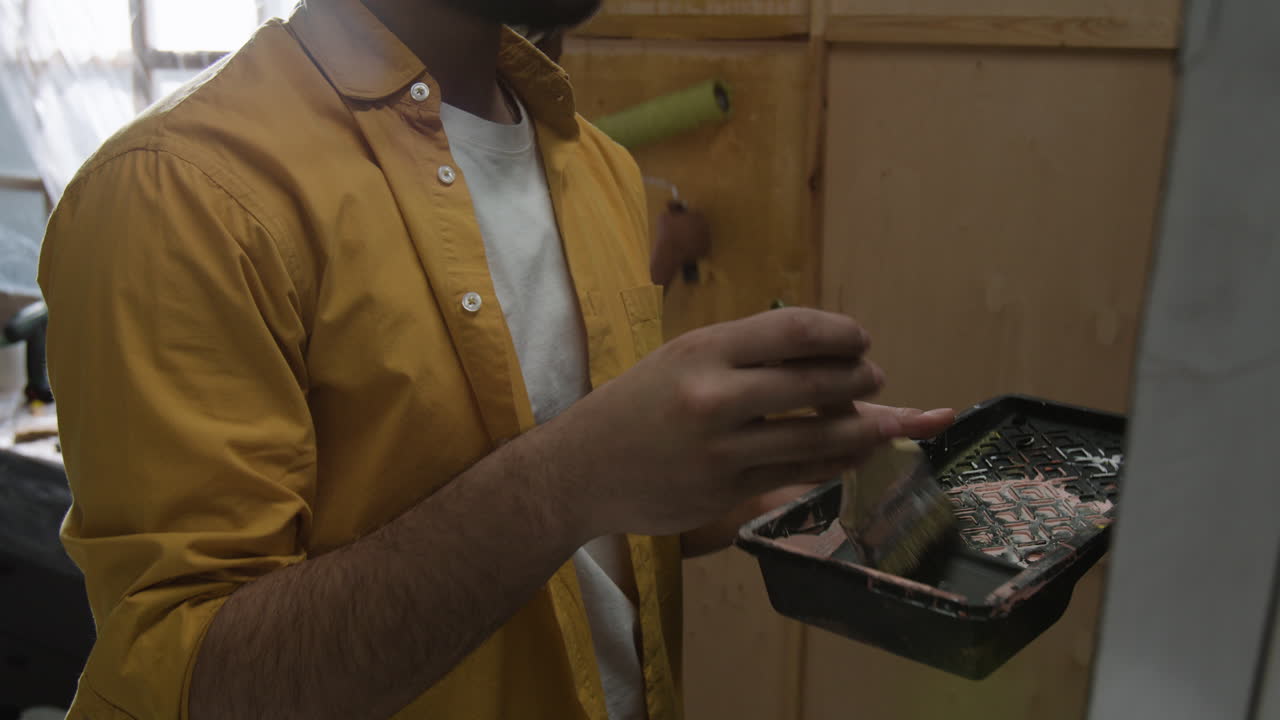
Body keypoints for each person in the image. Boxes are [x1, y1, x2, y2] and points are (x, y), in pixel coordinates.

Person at [37, 0, 956, 718]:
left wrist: (774, 487)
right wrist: (574, 476)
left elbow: (592, 533)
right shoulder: (179, 194)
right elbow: (201, 692)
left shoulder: (592, 165)